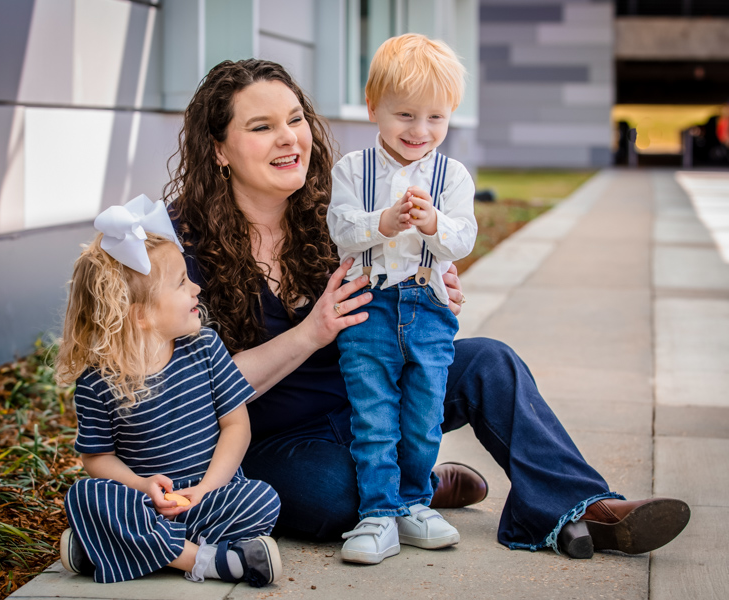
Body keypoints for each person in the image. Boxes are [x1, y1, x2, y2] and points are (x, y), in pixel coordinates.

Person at [167, 58, 690, 562]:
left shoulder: (339, 209)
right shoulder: (182, 250)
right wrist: (309, 333)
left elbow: (419, 268)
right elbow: (191, 393)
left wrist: (430, 285)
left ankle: (585, 507)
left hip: (377, 392)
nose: (289, 138)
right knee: (332, 497)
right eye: (262, 127)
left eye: (296, 119)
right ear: (219, 150)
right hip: (281, 437)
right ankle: (418, 487)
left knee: (490, 362)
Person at [54, 195, 282, 587]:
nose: (195, 288)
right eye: (181, 282)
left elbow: (237, 427)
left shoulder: (206, 348)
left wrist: (206, 488)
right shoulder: (97, 379)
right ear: (140, 315)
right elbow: (97, 459)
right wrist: (143, 487)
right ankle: (204, 560)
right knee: (86, 496)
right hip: (144, 503)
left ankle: (112, 547)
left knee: (263, 500)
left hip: (207, 497)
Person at [327, 34, 476, 564]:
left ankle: (415, 502)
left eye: (436, 118)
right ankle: (378, 513)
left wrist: (434, 223)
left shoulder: (451, 175)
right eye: (405, 115)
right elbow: (341, 230)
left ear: (451, 114)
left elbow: (463, 238)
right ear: (374, 108)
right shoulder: (352, 170)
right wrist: (382, 222)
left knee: (423, 411)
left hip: (429, 309)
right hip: (369, 307)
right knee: (373, 412)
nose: (420, 131)